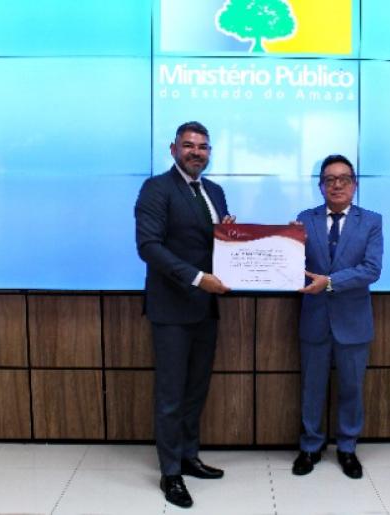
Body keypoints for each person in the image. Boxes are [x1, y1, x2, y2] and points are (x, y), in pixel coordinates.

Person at [135, 121, 235, 509]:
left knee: (195, 390)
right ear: (173, 149)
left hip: (206, 308)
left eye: (203, 146)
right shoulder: (157, 189)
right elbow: (149, 246)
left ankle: (189, 456)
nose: (197, 152)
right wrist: (196, 278)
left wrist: (232, 236)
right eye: (189, 145)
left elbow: (215, 245)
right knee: (171, 395)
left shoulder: (215, 192)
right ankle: (170, 472)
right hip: (173, 308)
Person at [292, 154, 383, 479]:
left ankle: (347, 448)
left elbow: (371, 270)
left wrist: (329, 282)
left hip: (353, 321)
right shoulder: (304, 219)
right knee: (312, 388)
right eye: (330, 179)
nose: (337, 185)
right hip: (314, 319)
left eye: (344, 179)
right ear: (320, 186)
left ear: (354, 184)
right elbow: (290, 262)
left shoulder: (371, 221)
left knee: (351, 389)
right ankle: (310, 446)